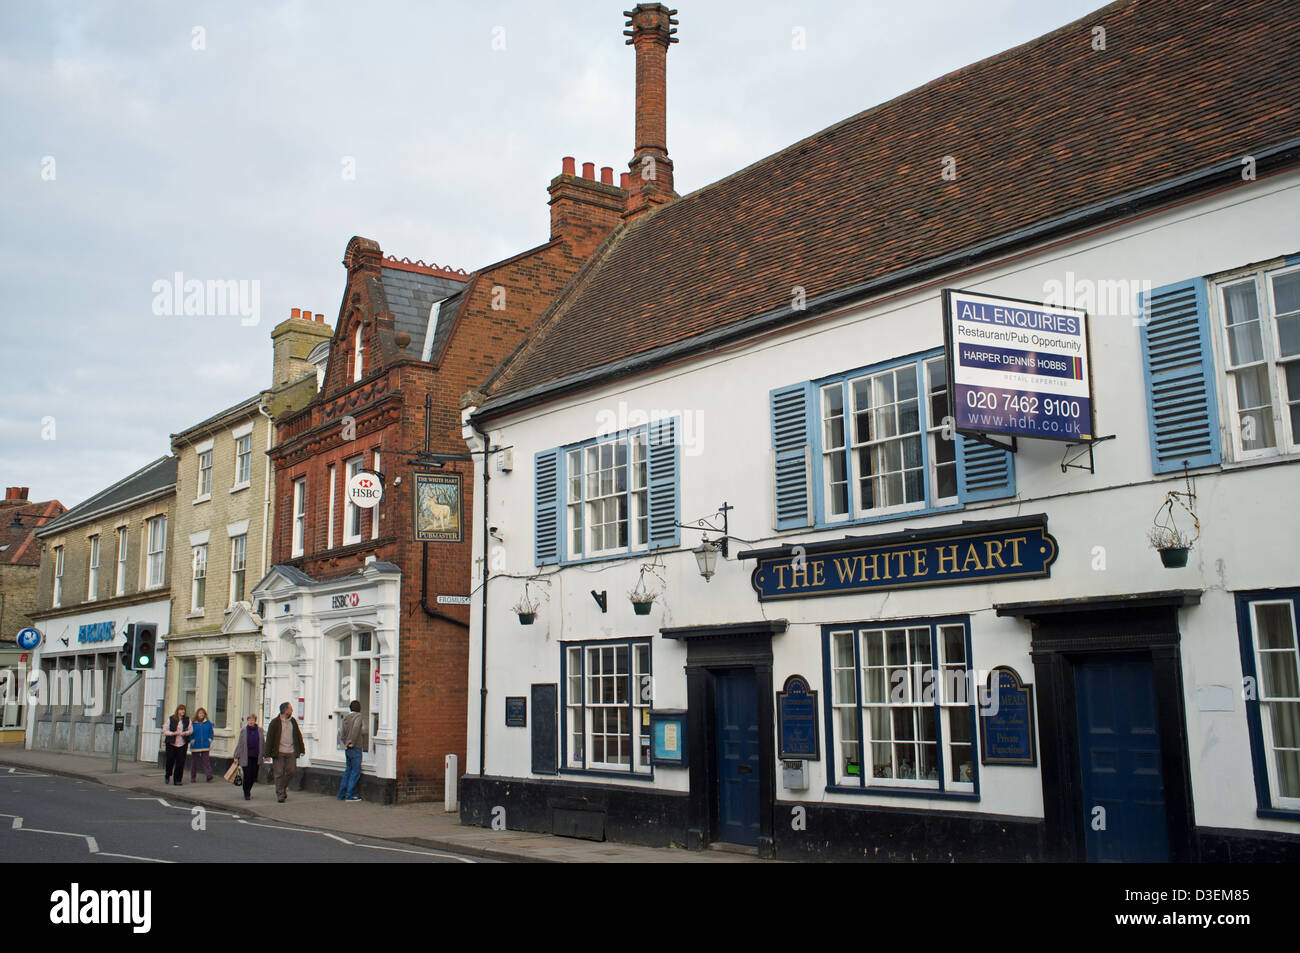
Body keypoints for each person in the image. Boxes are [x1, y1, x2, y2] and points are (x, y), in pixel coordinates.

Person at [264, 701, 305, 803]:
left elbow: (298, 736)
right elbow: (270, 739)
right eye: (290, 709)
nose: (292, 711)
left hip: (291, 751)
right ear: (285, 710)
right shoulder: (275, 723)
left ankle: (281, 788)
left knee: (291, 771)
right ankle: (280, 794)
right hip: (279, 752)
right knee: (278, 773)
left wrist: (302, 749)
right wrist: (267, 754)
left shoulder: (293, 721)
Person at [336, 700, 367, 802]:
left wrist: (345, 742)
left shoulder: (346, 717)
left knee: (348, 771)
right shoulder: (358, 717)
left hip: (347, 749)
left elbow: (342, 732)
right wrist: (351, 742)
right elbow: (356, 729)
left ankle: (341, 794)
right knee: (355, 772)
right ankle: (349, 795)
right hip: (355, 747)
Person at [231, 714, 265, 800]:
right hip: (246, 756)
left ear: (255, 721)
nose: (251, 721)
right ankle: (246, 793)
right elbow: (240, 744)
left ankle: (248, 789)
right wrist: (236, 756)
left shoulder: (260, 730)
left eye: (252, 720)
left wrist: (265, 754)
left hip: (256, 756)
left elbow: (263, 743)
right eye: (249, 720)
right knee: (247, 774)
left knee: (254, 775)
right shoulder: (244, 731)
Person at [161, 704, 192, 785]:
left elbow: (191, 730)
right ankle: (167, 775)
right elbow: (165, 730)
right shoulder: (171, 719)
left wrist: (185, 733)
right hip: (171, 743)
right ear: (177, 710)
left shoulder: (187, 719)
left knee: (180, 762)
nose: (183, 711)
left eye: (184, 710)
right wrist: (173, 733)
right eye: (181, 709)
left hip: (182, 743)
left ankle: (177, 779)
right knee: (170, 760)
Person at [189, 707, 215, 782]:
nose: (201, 715)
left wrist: (210, 739)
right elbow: (190, 733)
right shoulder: (193, 723)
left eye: (203, 713)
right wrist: (191, 740)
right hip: (196, 745)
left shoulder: (208, 723)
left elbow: (211, 733)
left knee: (206, 761)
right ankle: (193, 777)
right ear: (197, 714)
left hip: (205, 745)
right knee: (194, 762)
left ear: (205, 714)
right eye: (200, 713)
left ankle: (209, 775)